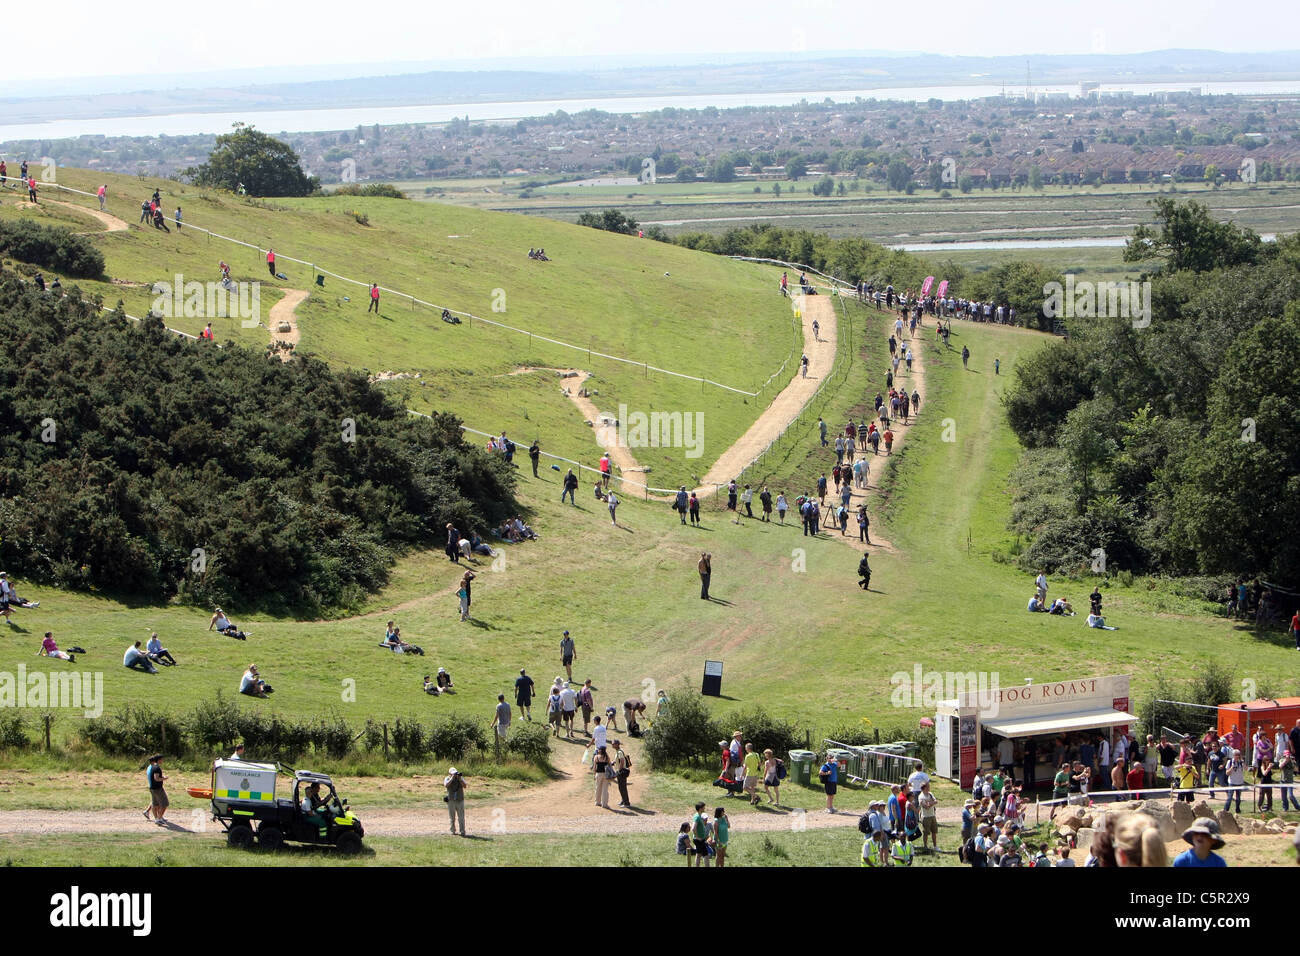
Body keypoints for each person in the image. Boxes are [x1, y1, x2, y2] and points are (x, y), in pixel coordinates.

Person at [144, 755, 168, 823]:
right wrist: (164, 778)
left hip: (152, 787)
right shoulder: (156, 768)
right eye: (162, 759)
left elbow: (154, 777)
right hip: (157, 788)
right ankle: (159, 818)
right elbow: (156, 778)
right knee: (164, 804)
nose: (162, 761)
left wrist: (161, 777)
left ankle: (157, 818)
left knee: (155, 804)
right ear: (159, 760)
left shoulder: (151, 767)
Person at [443, 766, 467, 835]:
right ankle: (452, 830)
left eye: (455, 773)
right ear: (449, 774)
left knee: (461, 817)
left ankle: (462, 831)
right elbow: (446, 785)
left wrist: (460, 780)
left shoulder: (460, 778)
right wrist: (452, 779)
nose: (455, 775)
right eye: (453, 774)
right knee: (452, 817)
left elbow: (465, 786)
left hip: (460, 800)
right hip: (451, 800)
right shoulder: (447, 778)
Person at [613, 739, 632, 807]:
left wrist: (619, 770)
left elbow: (622, 761)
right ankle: (623, 801)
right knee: (621, 787)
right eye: (612, 744)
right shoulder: (618, 752)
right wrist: (614, 763)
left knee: (622, 787)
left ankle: (626, 803)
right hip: (621, 771)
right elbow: (619, 760)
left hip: (621, 772)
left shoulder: (619, 752)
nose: (613, 745)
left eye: (614, 744)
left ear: (618, 744)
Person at [593, 745, 612, 809]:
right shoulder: (607, 757)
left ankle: (597, 802)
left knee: (598, 788)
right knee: (605, 789)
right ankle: (604, 804)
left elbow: (594, 767)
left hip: (599, 774)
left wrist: (594, 774)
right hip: (606, 774)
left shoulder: (596, 757)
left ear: (600, 750)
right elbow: (610, 766)